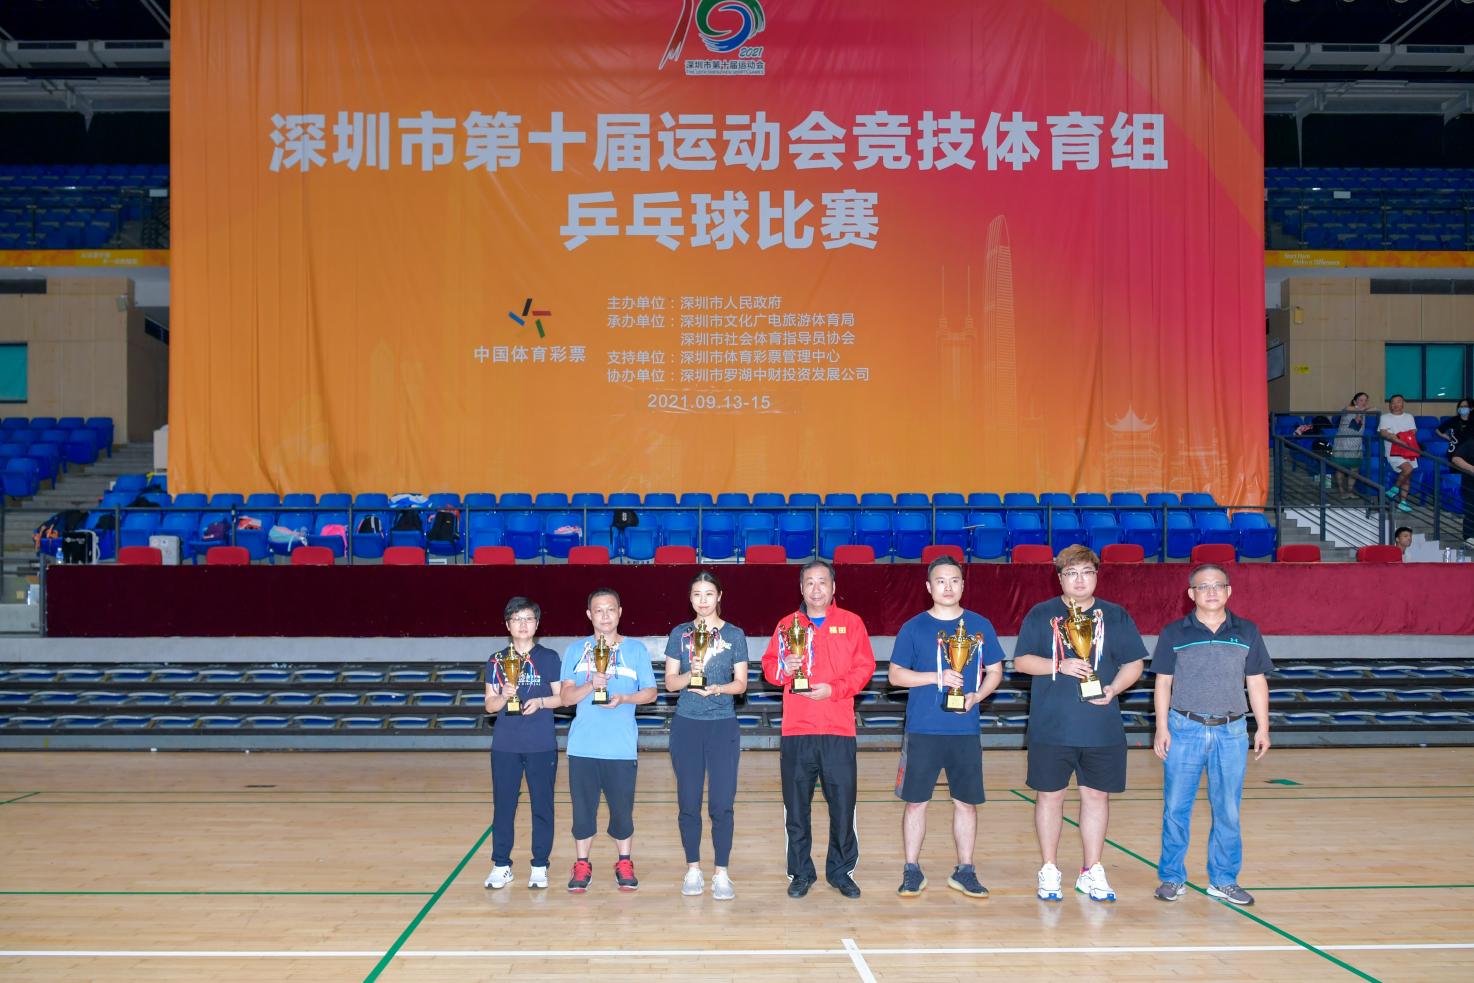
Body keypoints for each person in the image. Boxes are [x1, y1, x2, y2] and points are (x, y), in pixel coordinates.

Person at [1013, 544, 1147, 903]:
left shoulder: (1115, 615)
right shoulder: (1041, 614)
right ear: (1060, 578)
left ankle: (1092, 870)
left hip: (1101, 726)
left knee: (1096, 796)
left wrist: (1114, 688)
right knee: (1049, 796)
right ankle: (1049, 868)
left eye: (1087, 572)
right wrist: (1059, 665)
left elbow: (1134, 662)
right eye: (1071, 573)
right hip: (1051, 726)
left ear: (1096, 576)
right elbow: (1021, 662)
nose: (1079, 580)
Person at [1152, 564, 1272, 907]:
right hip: (1184, 729)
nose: (1211, 591)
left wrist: (1263, 726)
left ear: (1228, 591)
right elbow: (1163, 682)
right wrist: (1161, 726)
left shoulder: (1247, 631)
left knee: (1228, 810)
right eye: (1203, 586)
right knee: (1176, 808)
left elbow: (1256, 681)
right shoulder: (1174, 632)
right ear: (1191, 594)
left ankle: (1224, 880)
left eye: (1218, 585)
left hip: (1231, 732)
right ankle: (1172, 878)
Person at [887, 556, 1005, 899]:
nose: (948, 586)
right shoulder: (913, 628)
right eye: (940, 581)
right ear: (929, 587)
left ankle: (965, 870)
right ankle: (912, 869)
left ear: (963, 585)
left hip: (965, 730)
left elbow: (995, 670)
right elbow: (895, 676)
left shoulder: (980, 625)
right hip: (923, 730)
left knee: (966, 803)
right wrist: (937, 677)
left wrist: (977, 695)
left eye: (954, 580)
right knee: (915, 803)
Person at [762, 559, 876, 900]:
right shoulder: (787, 625)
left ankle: (841, 872)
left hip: (839, 729)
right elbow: (769, 668)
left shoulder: (852, 623)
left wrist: (833, 690)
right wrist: (785, 668)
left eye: (822, 582)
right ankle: (800, 873)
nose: (816, 589)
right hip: (797, 730)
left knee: (843, 806)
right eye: (809, 582)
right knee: (797, 808)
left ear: (833, 587)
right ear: (801, 588)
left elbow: (864, 668)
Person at [559, 588, 658, 893]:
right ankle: (582, 863)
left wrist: (625, 698)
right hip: (583, 747)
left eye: (610, 609)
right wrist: (591, 684)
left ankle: (624, 861)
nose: (605, 616)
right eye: (598, 610)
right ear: (589, 615)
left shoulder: (636, 650)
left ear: (620, 612)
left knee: (622, 811)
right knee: (582, 812)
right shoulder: (575, 651)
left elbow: (651, 693)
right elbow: (566, 697)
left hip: (620, 748)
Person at [664, 571, 749, 900]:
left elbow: (740, 684)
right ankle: (693, 869)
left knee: (721, 804)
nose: (703, 600)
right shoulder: (679, 634)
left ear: (719, 596)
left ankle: (722, 873)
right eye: (697, 594)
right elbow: (670, 683)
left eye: (709, 594)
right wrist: (691, 675)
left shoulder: (734, 634)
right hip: (687, 725)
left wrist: (717, 688)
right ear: (690, 598)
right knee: (688, 802)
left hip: (722, 724)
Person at [483, 597, 564, 890]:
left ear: (537, 624)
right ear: (508, 625)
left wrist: (540, 702)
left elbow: (562, 698)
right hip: (505, 745)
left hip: (541, 744)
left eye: (528, 618)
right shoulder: (496, 660)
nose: (523, 624)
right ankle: (501, 865)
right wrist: (504, 696)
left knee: (542, 806)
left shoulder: (550, 658)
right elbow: (489, 705)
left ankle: (540, 865)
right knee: (504, 807)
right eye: (517, 619)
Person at [1377, 394, 1418, 513]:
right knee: (1408, 469)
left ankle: (1403, 502)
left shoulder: (1409, 417)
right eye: (1393, 402)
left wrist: (1400, 436)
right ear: (1390, 405)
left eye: (1398, 402)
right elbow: (1383, 433)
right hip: (1393, 451)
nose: (1395, 404)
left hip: (1409, 449)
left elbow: (1413, 431)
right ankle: (1394, 489)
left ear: (1403, 403)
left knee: (1407, 476)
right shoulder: (1385, 417)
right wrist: (1395, 437)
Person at [1331, 392, 1370, 499]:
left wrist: (1363, 409)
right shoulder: (1348, 410)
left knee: (1355, 469)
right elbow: (1346, 408)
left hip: (1356, 444)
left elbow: (1375, 408)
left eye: (1365, 400)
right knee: (1340, 468)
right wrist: (1359, 408)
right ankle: (1341, 491)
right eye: (1361, 400)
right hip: (1342, 444)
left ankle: (1350, 491)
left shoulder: (1363, 412)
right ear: (1354, 401)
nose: (1364, 402)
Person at [1451, 430, 1474, 548]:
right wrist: (1471, 468)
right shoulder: (1470, 443)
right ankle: (1469, 538)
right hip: (1471, 484)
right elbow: (1456, 459)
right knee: (1471, 510)